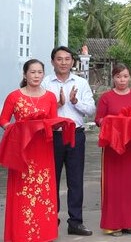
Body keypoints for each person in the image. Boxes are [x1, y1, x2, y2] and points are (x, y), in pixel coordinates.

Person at [1, 59, 61, 242]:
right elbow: (3, 120)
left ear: (44, 74)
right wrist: (17, 131)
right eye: (32, 72)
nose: (36, 75)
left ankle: (43, 234)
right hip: (22, 151)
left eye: (39, 72)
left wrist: (55, 126)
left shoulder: (50, 97)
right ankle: (19, 234)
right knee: (22, 192)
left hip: (43, 150)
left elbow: (53, 123)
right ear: (25, 74)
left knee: (43, 191)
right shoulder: (14, 96)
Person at [42, 46, 96, 236]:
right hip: (52, 136)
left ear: (73, 62)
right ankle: (50, 221)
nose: (63, 62)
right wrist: (56, 106)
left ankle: (75, 222)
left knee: (75, 180)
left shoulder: (81, 83)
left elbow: (91, 110)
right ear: (52, 62)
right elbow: (40, 112)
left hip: (75, 135)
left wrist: (75, 102)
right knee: (51, 180)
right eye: (59, 59)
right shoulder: (45, 83)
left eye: (67, 59)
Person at [95, 63, 131, 236]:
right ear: (113, 78)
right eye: (119, 76)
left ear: (130, 78)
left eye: (125, 76)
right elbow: (99, 119)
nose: (122, 80)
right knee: (114, 186)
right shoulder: (106, 97)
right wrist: (106, 122)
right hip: (113, 147)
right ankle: (113, 224)